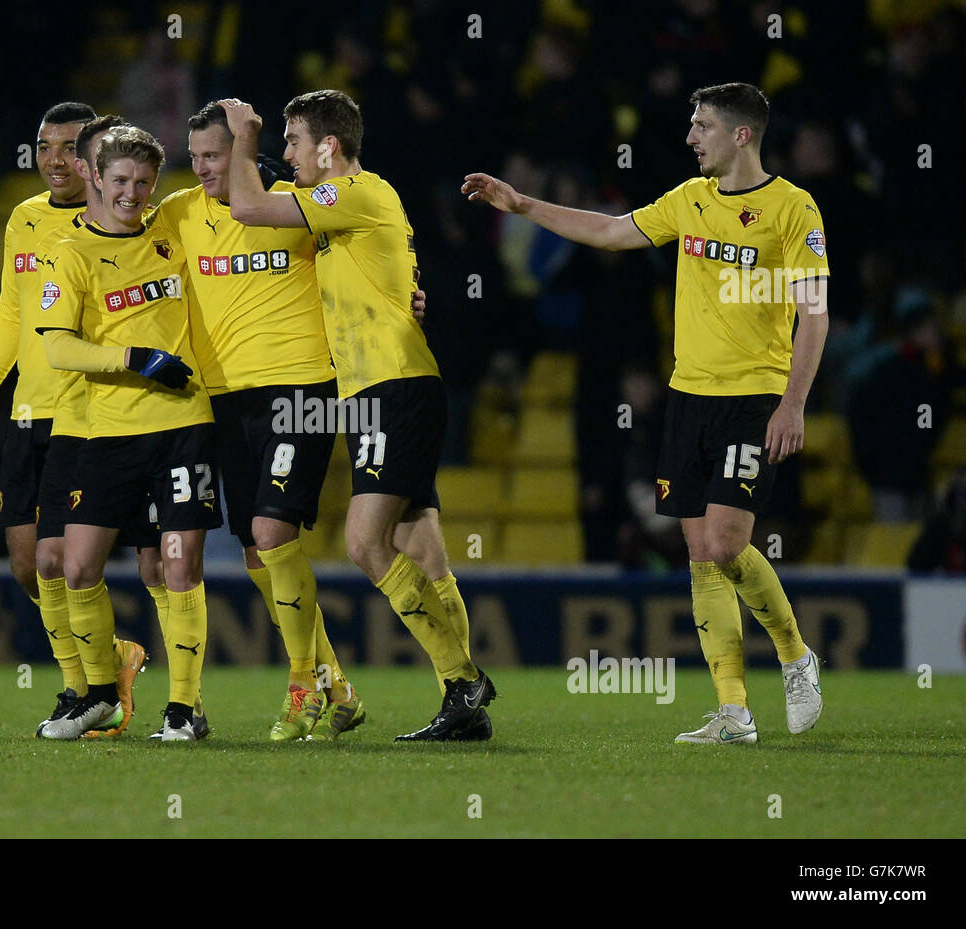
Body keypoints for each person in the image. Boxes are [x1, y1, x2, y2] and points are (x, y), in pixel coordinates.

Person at [464, 81, 828, 744]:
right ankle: (733, 712)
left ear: (742, 134)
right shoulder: (688, 202)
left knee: (725, 543)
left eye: (703, 127)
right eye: (691, 126)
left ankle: (796, 655)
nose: (690, 137)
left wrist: (793, 402)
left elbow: (815, 313)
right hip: (687, 397)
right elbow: (607, 230)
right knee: (698, 551)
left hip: (754, 397)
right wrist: (521, 204)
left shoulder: (793, 210)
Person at [219, 91, 495, 741]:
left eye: (291, 141)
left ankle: (463, 676)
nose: (284, 154)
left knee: (365, 542)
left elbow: (247, 206)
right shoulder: (363, 206)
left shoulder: (355, 193)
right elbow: (395, 281)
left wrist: (242, 135)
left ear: (328, 147)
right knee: (421, 551)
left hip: (390, 389)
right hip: (385, 388)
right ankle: (465, 707)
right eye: (277, 142)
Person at [147, 101, 365, 741]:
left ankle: (303, 683)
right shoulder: (181, 214)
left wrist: (409, 286)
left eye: (215, 155)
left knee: (272, 531)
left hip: (302, 386)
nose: (204, 168)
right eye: (196, 158)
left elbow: (362, 250)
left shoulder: (293, 202)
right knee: (254, 551)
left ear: (241, 149)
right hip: (225, 400)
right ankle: (336, 687)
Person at [0, 103, 144, 737]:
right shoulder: (24, 219)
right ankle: (107, 662)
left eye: (67, 146)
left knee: (63, 560)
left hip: (83, 413)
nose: (53, 158)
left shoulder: (120, 226)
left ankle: (83, 691)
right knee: (26, 565)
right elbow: (11, 314)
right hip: (26, 411)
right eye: (43, 145)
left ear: (92, 159)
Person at [38, 126, 220, 742]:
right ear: (93, 176)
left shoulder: (171, 229)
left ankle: (185, 707)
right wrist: (134, 357)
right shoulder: (69, 254)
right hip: (110, 432)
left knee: (176, 565)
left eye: (143, 183)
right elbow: (58, 346)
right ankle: (96, 695)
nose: (132, 194)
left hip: (183, 425)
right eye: (120, 180)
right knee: (78, 566)